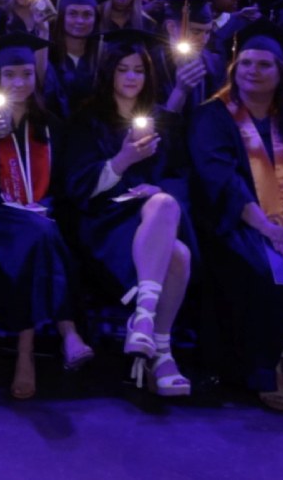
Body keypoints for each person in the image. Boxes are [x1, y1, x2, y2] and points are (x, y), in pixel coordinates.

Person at [190, 21, 283, 411]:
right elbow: (220, 179)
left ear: (281, 72)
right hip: (238, 221)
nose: (252, 72)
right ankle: (268, 367)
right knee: (263, 270)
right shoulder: (214, 115)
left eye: (263, 65)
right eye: (245, 64)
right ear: (233, 69)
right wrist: (265, 226)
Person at [60, 30, 195, 398]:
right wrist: (123, 161)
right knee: (177, 252)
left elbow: (180, 178)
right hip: (105, 224)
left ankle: (147, 326)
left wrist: (157, 190)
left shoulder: (165, 122)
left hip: (155, 224)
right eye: (123, 70)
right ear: (110, 74)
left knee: (166, 206)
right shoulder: (87, 119)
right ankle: (160, 346)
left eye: (139, 70)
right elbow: (76, 185)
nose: (132, 77)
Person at [0, 31, 92, 399]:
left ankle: (25, 357)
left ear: (37, 77)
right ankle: (68, 332)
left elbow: (64, 186)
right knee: (42, 234)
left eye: (26, 75)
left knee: (41, 233)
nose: (19, 83)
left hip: (42, 220)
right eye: (10, 75)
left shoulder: (52, 126)